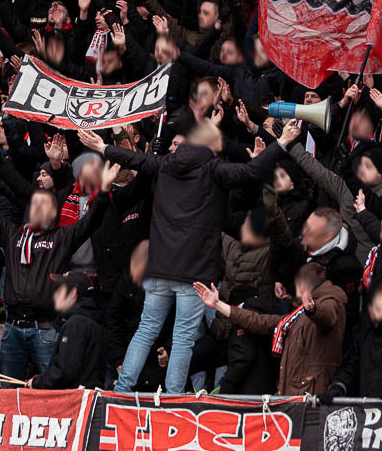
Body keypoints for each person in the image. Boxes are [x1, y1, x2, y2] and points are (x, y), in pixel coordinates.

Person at [78, 118, 301, 394]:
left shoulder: (165, 165)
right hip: (194, 273)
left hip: (160, 268)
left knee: (146, 330)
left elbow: (135, 159)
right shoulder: (213, 169)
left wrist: (102, 147)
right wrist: (282, 143)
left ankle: (123, 390)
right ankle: (173, 398)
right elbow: (251, 171)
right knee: (183, 338)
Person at [0, 149, 119, 386]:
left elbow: (92, 220)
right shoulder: (13, 235)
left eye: (44, 204)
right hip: (12, 330)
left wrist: (103, 193)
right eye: (35, 204)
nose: (38, 208)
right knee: (10, 394)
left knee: (51, 394)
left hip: (45, 330)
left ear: (54, 213)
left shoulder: (63, 237)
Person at [195, 262, 347, 395]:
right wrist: (217, 304)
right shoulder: (297, 315)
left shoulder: (331, 301)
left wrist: (313, 309)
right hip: (292, 394)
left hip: (311, 396)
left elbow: (327, 317)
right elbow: (259, 321)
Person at [26, 270, 107, 389]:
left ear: (73, 293)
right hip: (87, 396)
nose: (55, 295)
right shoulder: (92, 318)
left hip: (76, 399)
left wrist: (37, 382)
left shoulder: (76, 324)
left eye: (60, 290)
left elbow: (65, 371)